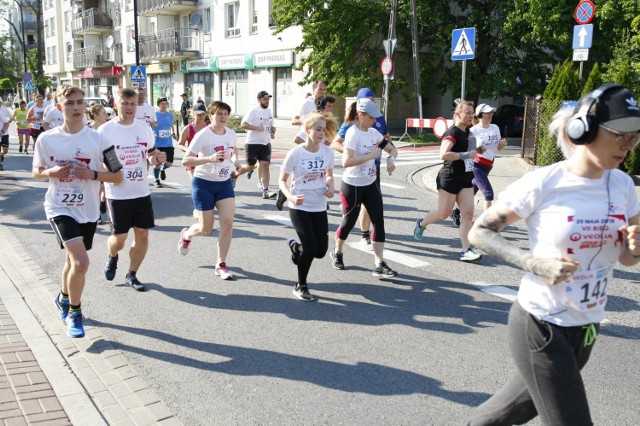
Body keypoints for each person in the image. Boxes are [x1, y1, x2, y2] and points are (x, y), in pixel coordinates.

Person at [465, 84, 640, 425]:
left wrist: (634, 249)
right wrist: (532, 262)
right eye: (620, 134)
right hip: (540, 324)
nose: (628, 145)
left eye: (635, 136)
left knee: (503, 414)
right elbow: (479, 232)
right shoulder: (544, 183)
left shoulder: (623, 186)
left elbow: (627, 259)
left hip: (585, 327)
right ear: (584, 129)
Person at [32, 85, 123, 338]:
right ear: (59, 106)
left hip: (88, 210)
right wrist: (50, 172)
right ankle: (74, 312)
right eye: (70, 103)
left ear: (85, 106)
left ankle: (63, 297)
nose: (75, 107)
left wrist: (92, 174)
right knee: (81, 262)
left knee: (73, 261)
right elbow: (36, 172)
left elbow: (117, 176)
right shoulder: (46, 139)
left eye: (80, 102)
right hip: (59, 206)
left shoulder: (100, 139)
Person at [97, 87, 166, 292]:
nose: (129, 108)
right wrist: (107, 176)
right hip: (117, 193)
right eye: (125, 103)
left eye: (132, 104)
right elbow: (99, 163)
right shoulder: (105, 131)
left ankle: (132, 274)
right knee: (119, 239)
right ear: (116, 104)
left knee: (143, 235)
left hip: (141, 191)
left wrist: (157, 159)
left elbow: (151, 154)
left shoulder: (143, 127)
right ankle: (113, 255)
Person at [330, 98, 398, 278]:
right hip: (352, 185)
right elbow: (346, 162)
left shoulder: (374, 133)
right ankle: (337, 251)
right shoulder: (353, 134)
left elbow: (392, 149)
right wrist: (370, 156)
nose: (375, 121)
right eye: (371, 118)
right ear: (361, 116)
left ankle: (379, 263)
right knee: (348, 223)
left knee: (379, 223)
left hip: (370, 184)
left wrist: (390, 159)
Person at [413, 99, 485, 262]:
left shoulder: (469, 133)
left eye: (471, 113)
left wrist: (477, 151)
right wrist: (466, 155)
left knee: (467, 215)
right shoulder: (452, 132)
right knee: (443, 214)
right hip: (450, 178)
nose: (470, 116)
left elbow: (470, 152)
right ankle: (421, 223)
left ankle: (466, 250)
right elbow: (443, 154)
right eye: (467, 113)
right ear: (457, 114)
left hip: (466, 179)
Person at [178, 101, 241, 281]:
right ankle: (187, 234)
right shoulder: (203, 135)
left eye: (226, 114)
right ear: (210, 116)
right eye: (219, 113)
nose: (223, 117)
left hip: (223, 183)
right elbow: (186, 160)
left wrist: (235, 161)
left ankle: (221, 264)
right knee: (206, 228)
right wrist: (208, 158)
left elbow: (233, 150)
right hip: (203, 183)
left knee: (228, 223)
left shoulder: (231, 133)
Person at [279, 113, 335, 301]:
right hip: (299, 207)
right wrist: (290, 197)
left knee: (320, 252)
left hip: (319, 205)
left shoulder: (327, 152)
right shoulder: (296, 153)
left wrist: (331, 186)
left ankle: (296, 248)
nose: (322, 133)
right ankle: (300, 285)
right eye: (318, 129)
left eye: (324, 129)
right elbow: (282, 180)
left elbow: (329, 174)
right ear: (307, 130)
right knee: (311, 248)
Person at [241, 91, 277, 199]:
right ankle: (234, 175)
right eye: (265, 99)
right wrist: (257, 128)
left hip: (265, 143)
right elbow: (243, 124)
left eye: (268, 99)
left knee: (265, 165)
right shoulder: (253, 111)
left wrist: (272, 130)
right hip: (252, 143)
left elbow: (270, 125)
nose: (267, 101)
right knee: (250, 166)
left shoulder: (269, 111)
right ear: (259, 100)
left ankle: (265, 191)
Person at [88, 104, 110, 224]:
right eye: (103, 113)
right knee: (97, 188)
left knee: (105, 189)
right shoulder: (88, 130)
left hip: (106, 163)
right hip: (94, 164)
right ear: (95, 116)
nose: (106, 116)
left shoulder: (108, 129)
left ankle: (102, 203)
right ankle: (97, 215)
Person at [178, 102, 208, 180]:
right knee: (195, 181)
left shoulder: (210, 127)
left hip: (206, 157)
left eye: (203, 114)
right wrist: (189, 150)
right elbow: (180, 144)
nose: (201, 117)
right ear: (193, 114)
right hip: (192, 157)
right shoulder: (188, 128)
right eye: (199, 114)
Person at [152, 97, 175, 188]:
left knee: (169, 163)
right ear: (158, 105)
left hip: (168, 143)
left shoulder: (170, 115)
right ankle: (156, 180)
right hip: (158, 143)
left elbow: (172, 126)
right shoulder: (154, 115)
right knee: (157, 163)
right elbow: (150, 126)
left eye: (165, 104)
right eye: (162, 104)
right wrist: (152, 133)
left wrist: (174, 133)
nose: (164, 105)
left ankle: (163, 168)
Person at [0, 101, 12, 171]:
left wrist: (2, 131)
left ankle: (2, 154)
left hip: (3, 133)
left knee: (5, 151)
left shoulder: (2, 111)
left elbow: (6, 123)